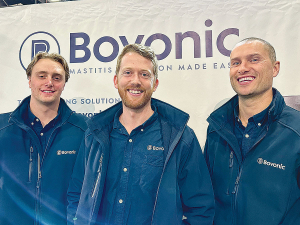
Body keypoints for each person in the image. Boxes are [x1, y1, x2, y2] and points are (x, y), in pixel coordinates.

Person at [67, 44, 214, 225]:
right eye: (127, 72)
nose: (135, 81)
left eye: (144, 74)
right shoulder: (94, 134)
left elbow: (201, 208)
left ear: (155, 84)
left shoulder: (181, 138)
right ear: (116, 80)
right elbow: (76, 194)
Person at [204, 37, 300, 225]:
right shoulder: (216, 127)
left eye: (254, 59)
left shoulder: (296, 130)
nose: (243, 68)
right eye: (236, 63)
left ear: (275, 68)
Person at [0, 52, 87, 225]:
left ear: (63, 84)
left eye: (57, 77)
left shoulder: (85, 129)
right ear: (30, 81)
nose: (49, 82)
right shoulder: (3, 127)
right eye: (42, 76)